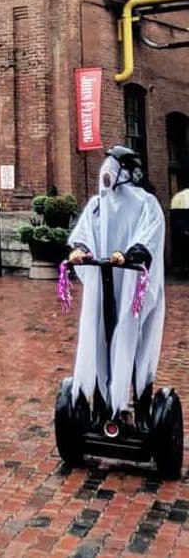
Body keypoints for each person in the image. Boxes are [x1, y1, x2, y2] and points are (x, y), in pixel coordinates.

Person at [67, 145, 165, 423]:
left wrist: (131, 255)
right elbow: (85, 232)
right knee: (102, 338)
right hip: (105, 284)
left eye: (114, 167)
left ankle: (143, 413)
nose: (107, 173)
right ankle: (102, 409)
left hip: (134, 286)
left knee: (136, 340)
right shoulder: (98, 205)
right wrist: (80, 249)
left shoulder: (146, 203)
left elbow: (150, 235)